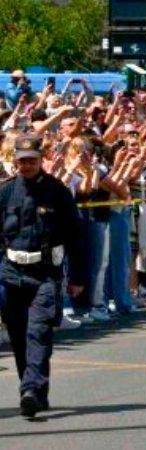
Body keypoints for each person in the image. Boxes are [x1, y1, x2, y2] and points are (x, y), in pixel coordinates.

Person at [0, 134, 86, 418]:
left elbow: (75, 236)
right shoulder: (5, 192)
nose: (26, 166)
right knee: (18, 335)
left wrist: (77, 277)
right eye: (21, 161)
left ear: (41, 160)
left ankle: (31, 390)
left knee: (38, 330)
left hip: (45, 273)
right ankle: (35, 389)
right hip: (12, 272)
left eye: (31, 161)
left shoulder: (57, 192)